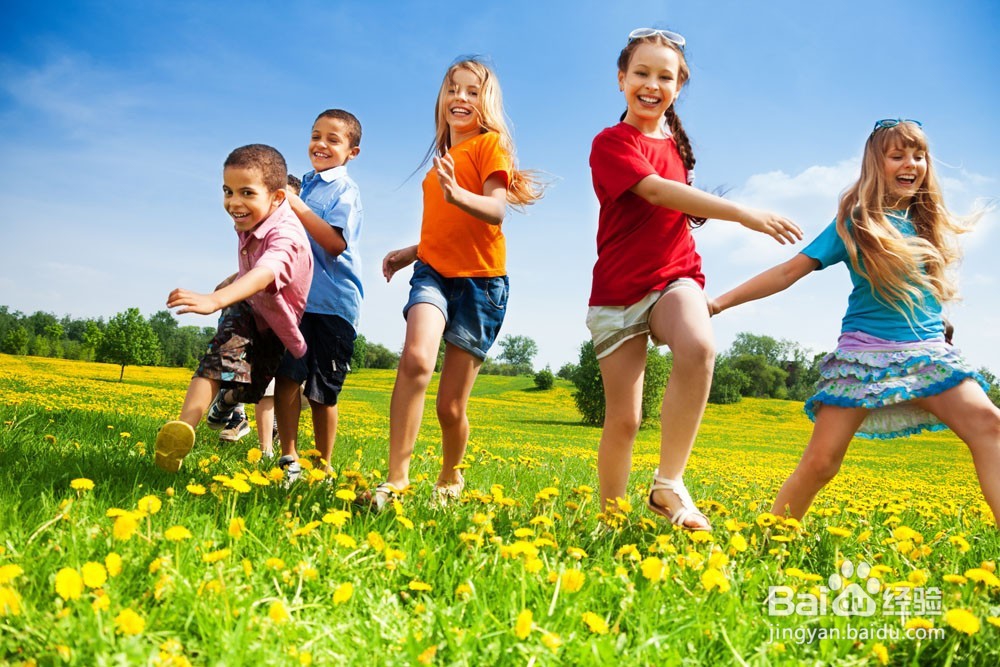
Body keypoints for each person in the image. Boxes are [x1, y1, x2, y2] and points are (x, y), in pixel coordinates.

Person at [710, 119, 999, 524]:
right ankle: (770, 538)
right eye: (897, 155)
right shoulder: (856, 224)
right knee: (822, 463)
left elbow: (923, 289)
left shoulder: (927, 223)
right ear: (876, 165)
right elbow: (787, 272)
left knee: (990, 425)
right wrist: (718, 303)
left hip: (928, 355)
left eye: (918, 156)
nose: (910, 164)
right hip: (865, 356)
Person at [587, 28, 802, 531]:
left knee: (700, 347)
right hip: (618, 293)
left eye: (665, 76)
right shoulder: (611, 142)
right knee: (624, 420)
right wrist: (742, 213)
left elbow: (673, 201)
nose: (651, 84)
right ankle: (611, 520)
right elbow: (658, 193)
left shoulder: (677, 147)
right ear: (621, 79)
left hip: (674, 278)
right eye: (641, 73)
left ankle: (668, 483)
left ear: (678, 86)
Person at [371, 56, 542, 509]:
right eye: (452, 89)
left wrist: (457, 193)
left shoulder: (489, 148)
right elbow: (444, 228)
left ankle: (450, 477)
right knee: (415, 361)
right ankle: (396, 480)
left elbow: (495, 210)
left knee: (450, 407)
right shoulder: (440, 164)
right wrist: (412, 252)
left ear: (484, 102)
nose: (459, 98)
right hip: (433, 274)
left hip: (481, 284)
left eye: (471, 91)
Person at [154, 144, 313, 472]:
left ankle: (226, 403)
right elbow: (252, 268)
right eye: (228, 191)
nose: (233, 202)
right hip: (248, 309)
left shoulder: (289, 236)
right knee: (217, 360)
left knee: (251, 388)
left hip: (278, 326)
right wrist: (229, 289)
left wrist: (215, 300)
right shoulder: (250, 221)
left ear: (278, 198)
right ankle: (183, 429)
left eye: (246, 193)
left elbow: (266, 270)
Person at [272, 110, 364, 483]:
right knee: (287, 375)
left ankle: (323, 465)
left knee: (323, 389)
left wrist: (297, 205)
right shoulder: (302, 187)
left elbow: (334, 242)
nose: (321, 145)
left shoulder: (345, 191)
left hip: (333, 304)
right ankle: (288, 457)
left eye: (333, 139)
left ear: (351, 153)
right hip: (294, 300)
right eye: (315, 136)